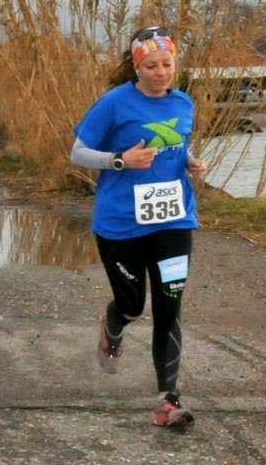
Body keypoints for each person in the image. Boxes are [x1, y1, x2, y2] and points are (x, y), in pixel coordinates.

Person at [70, 25, 207, 427]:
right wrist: (119, 161)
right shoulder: (114, 104)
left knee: (169, 305)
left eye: (167, 63)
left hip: (174, 220)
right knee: (133, 305)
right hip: (120, 225)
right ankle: (114, 323)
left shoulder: (183, 103)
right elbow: (78, 153)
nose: (161, 72)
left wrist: (190, 161)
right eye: (151, 66)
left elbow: (177, 143)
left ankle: (169, 400)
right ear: (136, 66)